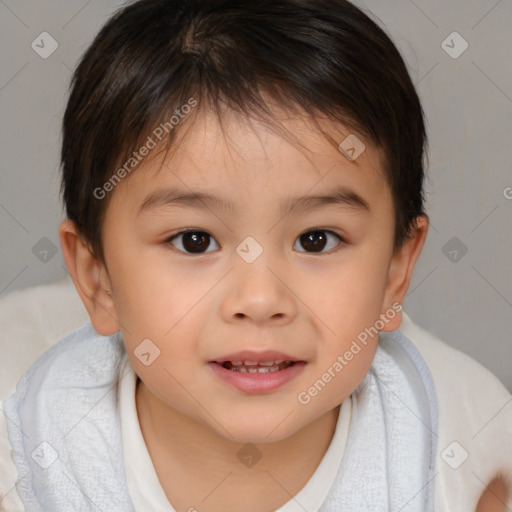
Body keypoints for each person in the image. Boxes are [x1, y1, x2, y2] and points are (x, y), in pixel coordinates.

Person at [1, 0, 511, 510]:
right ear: (97, 280)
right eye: (194, 240)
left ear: (396, 272)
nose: (261, 299)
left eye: (316, 239)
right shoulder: (27, 457)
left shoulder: (459, 452)